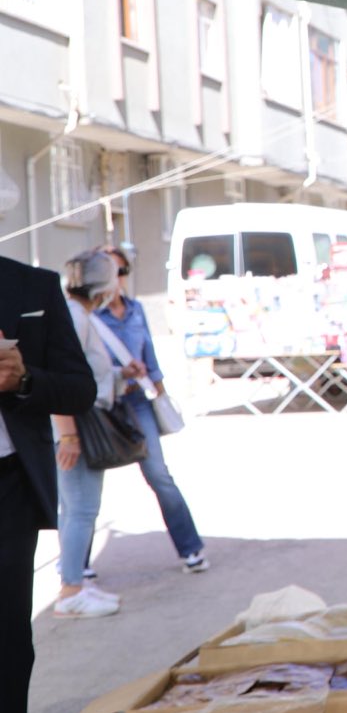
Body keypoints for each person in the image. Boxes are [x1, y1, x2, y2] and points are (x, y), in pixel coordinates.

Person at [0, 247, 95, 713]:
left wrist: (25, 380)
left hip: (8, 489)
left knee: (8, 647)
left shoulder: (32, 286)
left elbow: (80, 388)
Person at [95, 246, 207, 573]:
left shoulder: (136, 309)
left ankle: (190, 549)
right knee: (88, 488)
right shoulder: (88, 316)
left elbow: (149, 354)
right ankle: (77, 567)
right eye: (108, 271)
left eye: (121, 271)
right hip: (101, 405)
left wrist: (161, 394)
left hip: (137, 400)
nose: (116, 278)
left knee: (159, 475)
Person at [50, 252, 124, 618]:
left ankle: (74, 580)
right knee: (82, 509)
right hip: (78, 426)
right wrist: (68, 435)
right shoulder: (76, 318)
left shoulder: (75, 315)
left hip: (75, 425)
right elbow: (60, 378)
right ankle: (71, 591)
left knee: (73, 509)